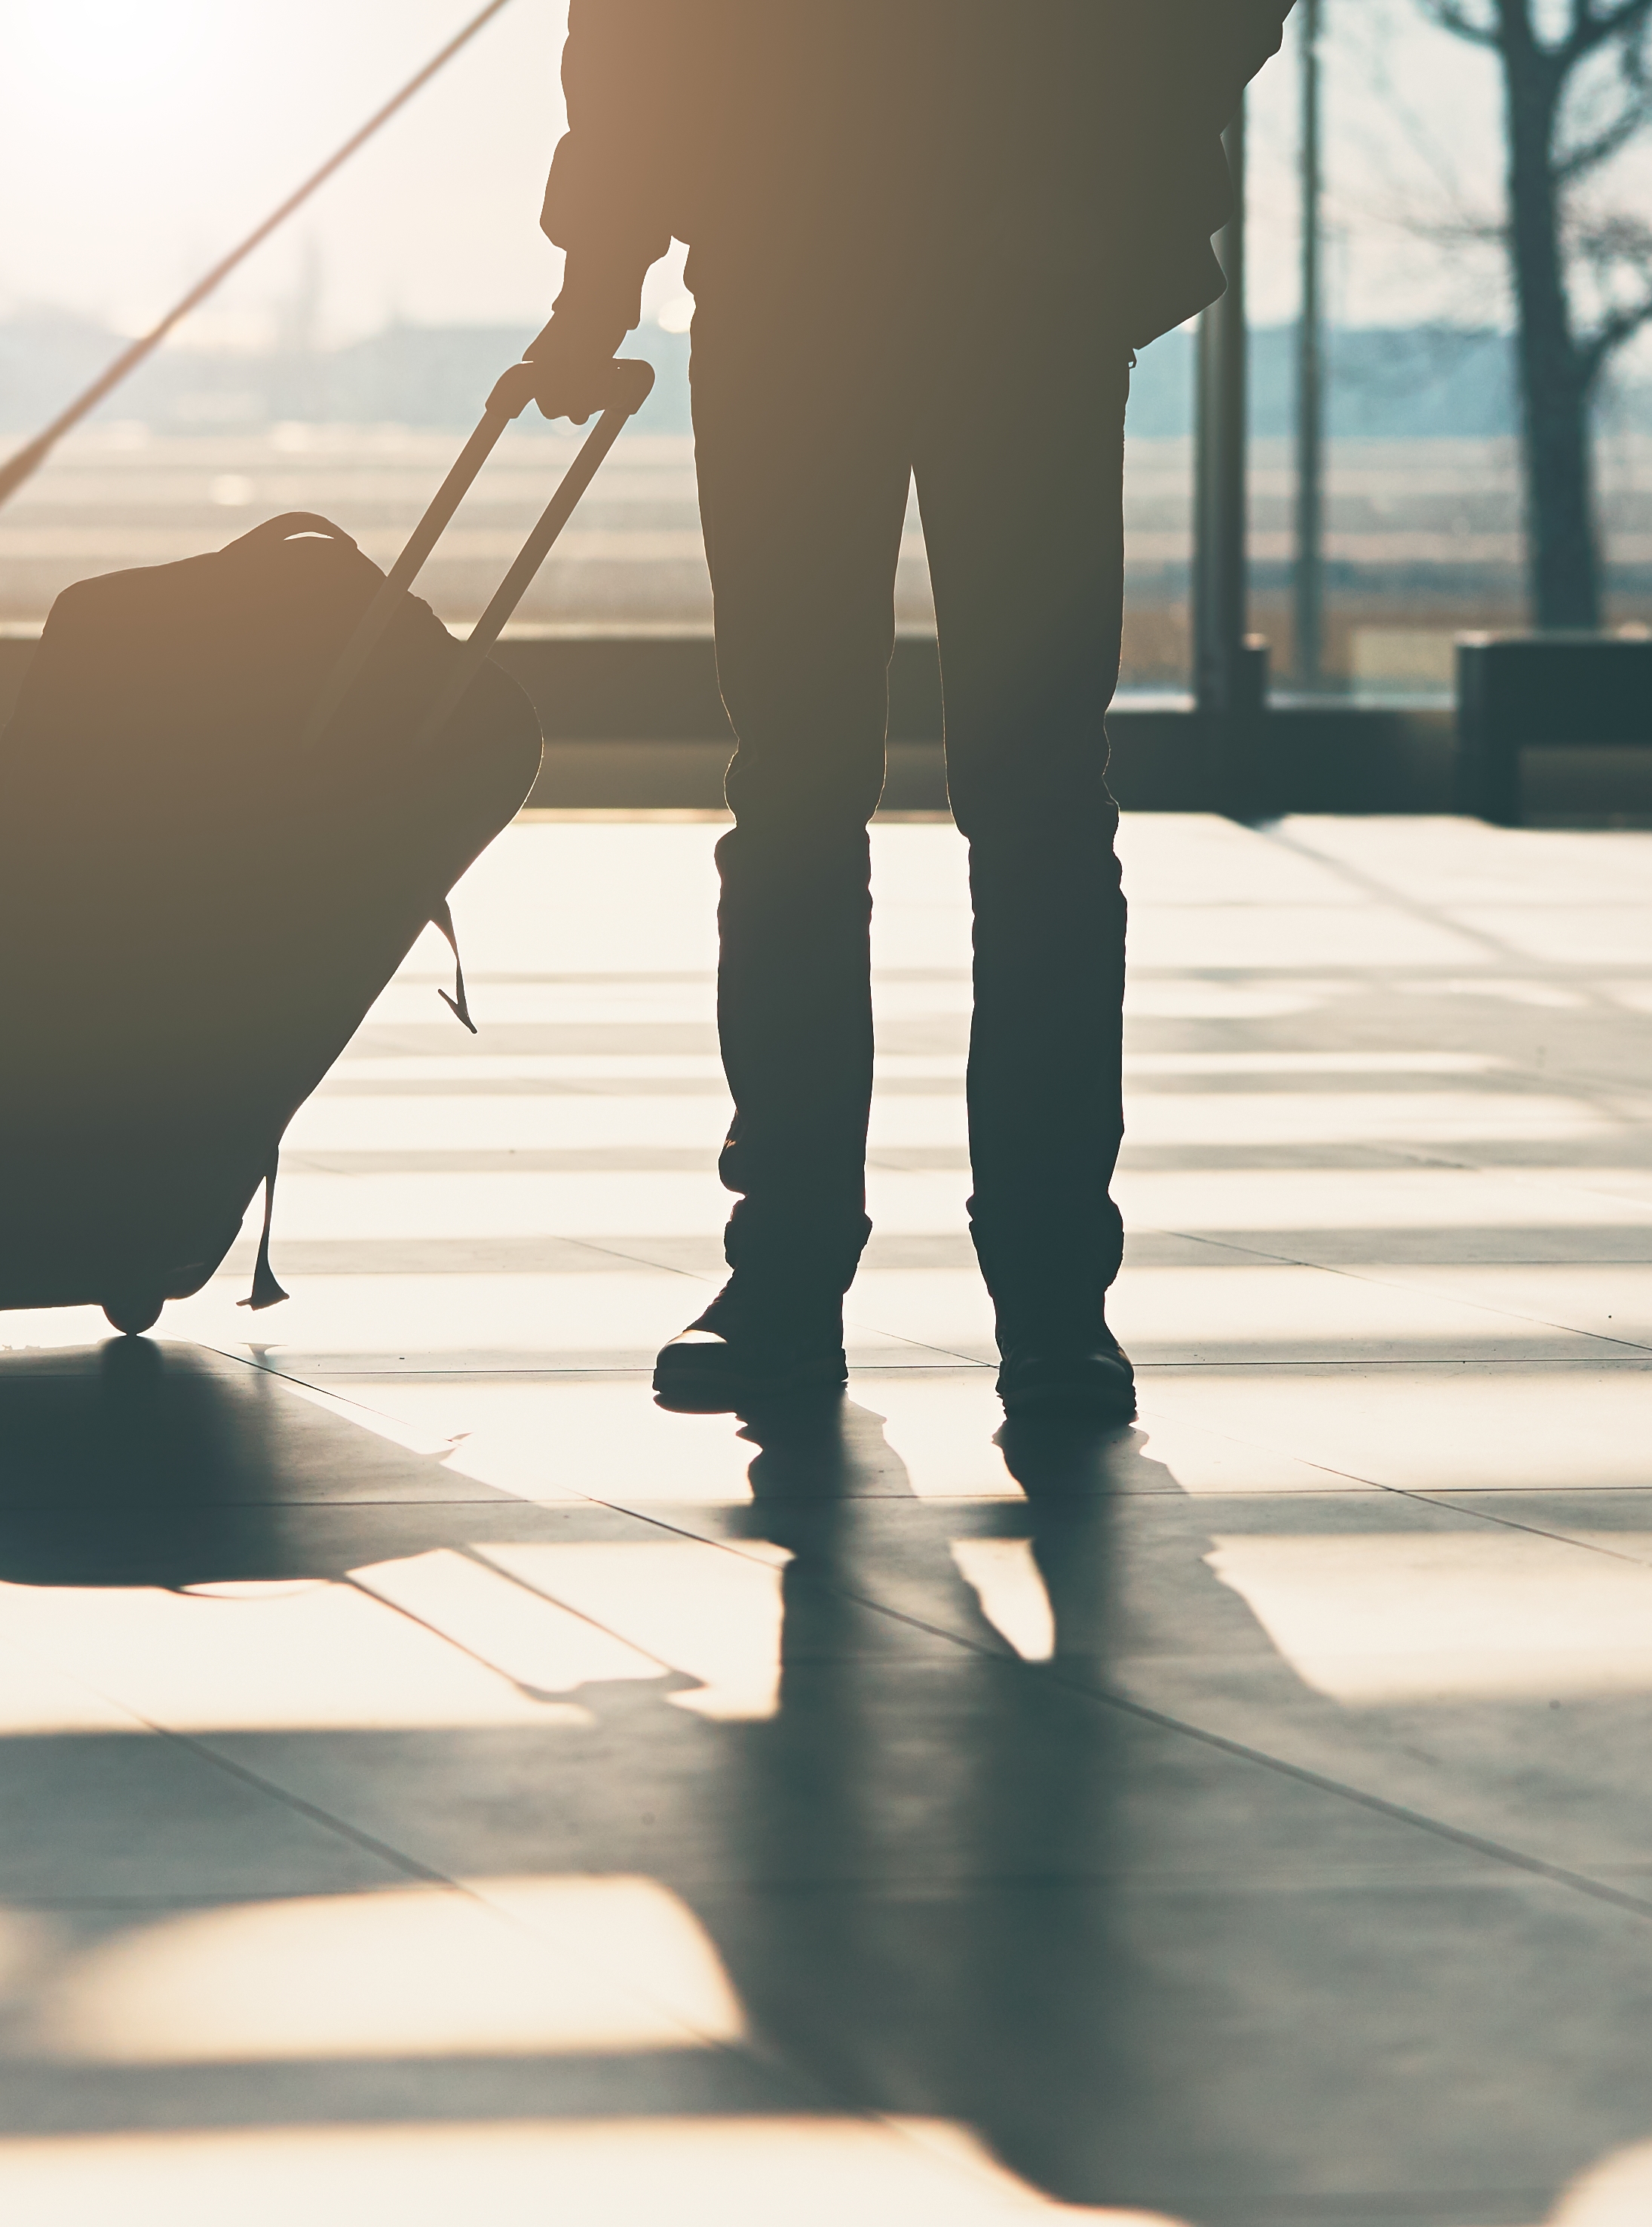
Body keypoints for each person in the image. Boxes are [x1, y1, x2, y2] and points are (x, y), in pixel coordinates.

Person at [526, 0, 1295, 1425]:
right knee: (1029, 809)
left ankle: (797, 1272)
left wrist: (603, 272)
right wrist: (1107, 150)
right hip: (1010, 276)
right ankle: (1051, 1297)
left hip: (819, 268)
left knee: (809, 803)